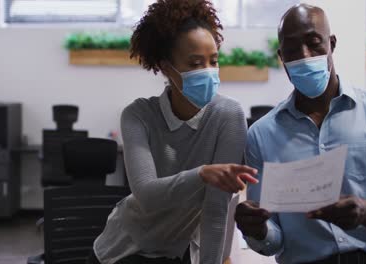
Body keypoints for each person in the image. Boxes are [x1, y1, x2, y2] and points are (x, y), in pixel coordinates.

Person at [235, 3, 366, 264]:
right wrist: (257, 231)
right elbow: (274, 240)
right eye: (292, 50)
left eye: (314, 43)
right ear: (282, 57)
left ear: (332, 44)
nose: (304, 56)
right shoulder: (261, 135)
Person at [87, 1, 258, 264]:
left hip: (177, 252)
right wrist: (202, 174)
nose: (208, 71)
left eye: (214, 61)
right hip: (124, 250)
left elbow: (216, 210)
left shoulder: (229, 116)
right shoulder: (138, 115)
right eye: (195, 63)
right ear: (167, 67)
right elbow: (147, 195)